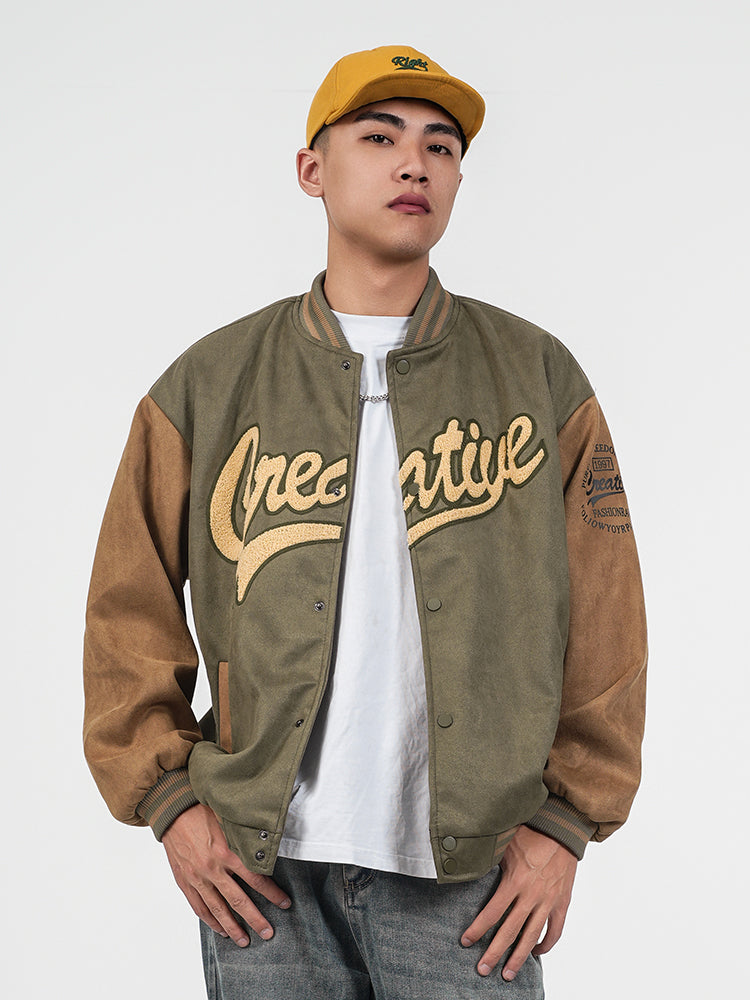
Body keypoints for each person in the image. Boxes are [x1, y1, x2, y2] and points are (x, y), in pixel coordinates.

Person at [83, 44, 647, 999]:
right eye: (379, 138)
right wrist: (172, 804)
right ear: (313, 170)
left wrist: (564, 826)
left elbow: (608, 618)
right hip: (261, 874)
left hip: (472, 878)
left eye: (441, 146)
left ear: (458, 180)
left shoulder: (537, 377)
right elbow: (124, 608)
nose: (414, 164)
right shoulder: (211, 384)